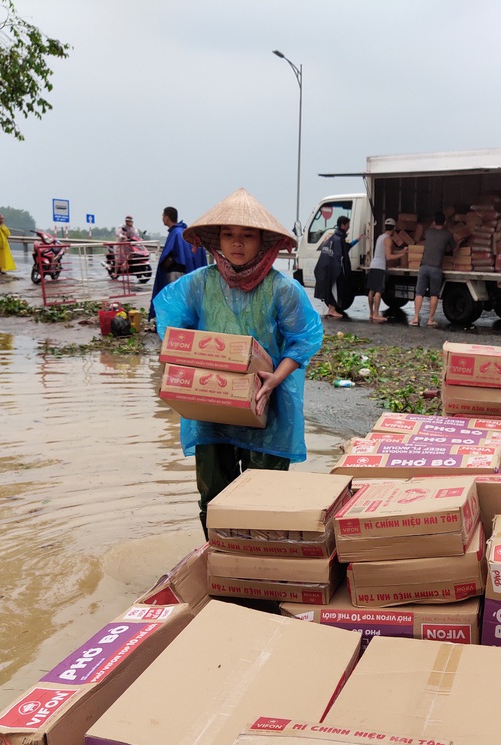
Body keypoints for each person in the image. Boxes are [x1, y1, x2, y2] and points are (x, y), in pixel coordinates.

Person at [153, 188, 323, 538]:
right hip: (211, 410)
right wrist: (184, 363)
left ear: (263, 241)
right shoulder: (198, 284)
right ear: (217, 240)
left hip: (268, 406)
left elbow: (304, 339)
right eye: (229, 235)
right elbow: (172, 326)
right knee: (213, 498)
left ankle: (259, 573)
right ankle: (221, 570)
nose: (237, 244)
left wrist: (275, 379)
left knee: (264, 503)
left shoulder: (282, 289)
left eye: (247, 235)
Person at [149, 207, 207, 321]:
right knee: (186, 300)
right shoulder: (185, 232)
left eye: (163, 216)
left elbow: (173, 254)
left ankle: (176, 323)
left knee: (175, 300)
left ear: (166, 217)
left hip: (176, 272)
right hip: (188, 272)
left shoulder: (176, 233)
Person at [413, 212, 454, 327]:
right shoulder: (447, 235)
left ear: (434, 222)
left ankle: (415, 318)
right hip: (436, 268)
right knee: (434, 294)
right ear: (445, 222)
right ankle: (430, 320)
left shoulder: (428, 232)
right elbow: (454, 248)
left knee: (419, 292)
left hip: (423, 266)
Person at [313, 215, 355, 319]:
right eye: (348, 225)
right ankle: (332, 310)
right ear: (342, 225)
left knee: (332, 288)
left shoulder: (334, 237)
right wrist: (344, 271)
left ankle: (332, 309)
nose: (349, 227)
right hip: (334, 269)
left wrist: (356, 240)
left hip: (328, 268)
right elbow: (341, 255)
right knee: (334, 289)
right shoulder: (339, 238)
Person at [368, 218, 404, 322]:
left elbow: (388, 251)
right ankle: (376, 314)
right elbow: (388, 256)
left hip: (373, 265)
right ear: (394, 228)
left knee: (371, 290)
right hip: (380, 267)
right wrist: (401, 255)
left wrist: (401, 251)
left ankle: (371, 313)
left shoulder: (380, 237)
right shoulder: (388, 239)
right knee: (379, 290)